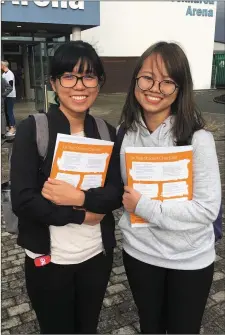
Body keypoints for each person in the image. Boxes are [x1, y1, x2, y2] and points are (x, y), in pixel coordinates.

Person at [11, 41, 122, 334]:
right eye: (69, 76)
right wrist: (82, 214)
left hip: (96, 256)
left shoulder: (105, 131)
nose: (79, 86)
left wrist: (79, 197)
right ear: (53, 82)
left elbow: (115, 191)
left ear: (99, 82)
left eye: (88, 76)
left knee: (87, 328)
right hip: (49, 260)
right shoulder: (34, 128)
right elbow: (22, 201)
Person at [118, 42, 221, 334]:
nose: (155, 88)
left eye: (167, 81)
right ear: (136, 80)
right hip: (140, 253)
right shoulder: (124, 133)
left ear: (180, 88)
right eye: (148, 77)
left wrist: (145, 206)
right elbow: (118, 190)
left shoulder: (197, 139)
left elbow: (206, 208)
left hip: (189, 259)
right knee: (150, 326)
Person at [1, 60, 16, 136]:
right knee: (6, 112)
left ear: (3, 66)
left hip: (10, 96)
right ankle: (8, 127)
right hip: (6, 96)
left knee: (9, 112)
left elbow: (10, 86)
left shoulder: (10, 74)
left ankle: (12, 128)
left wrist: (3, 94)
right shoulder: (3, 74)